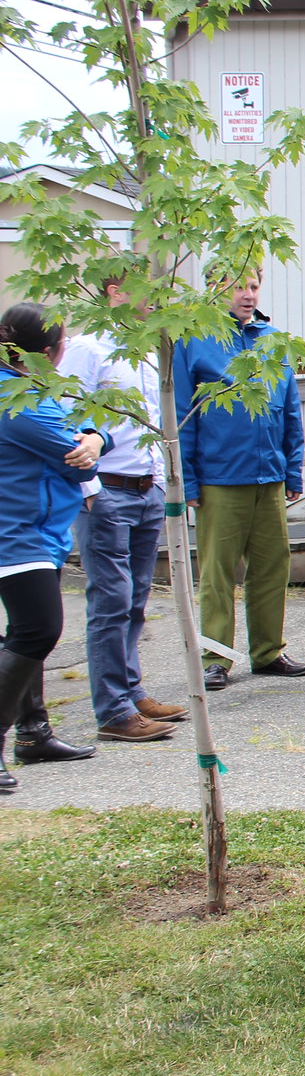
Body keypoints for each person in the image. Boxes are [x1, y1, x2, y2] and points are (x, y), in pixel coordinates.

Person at [54, 276, 186, 748]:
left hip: (144, 489)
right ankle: (112, 710)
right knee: (110, 602)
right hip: (107, 491)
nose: (153, 298)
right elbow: (65, 419)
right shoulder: (90, 349)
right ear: (114, 292)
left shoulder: (148, 352)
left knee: (134, 601)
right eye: (141, 289)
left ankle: (131, 692)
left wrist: (161, 480)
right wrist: (90, 489)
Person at [173, 262, 305, 690]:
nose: (247, 294)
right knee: (217, 572)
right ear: (214, 288)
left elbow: (290, 409)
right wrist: (188, 481)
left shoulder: (273, 342)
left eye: (253, 286)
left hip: (268, 476)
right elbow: (183, 415)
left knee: (272, 566)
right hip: (219, 478)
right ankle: (216, 657)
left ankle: (268, 651)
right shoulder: (195, 342)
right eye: (237, 286)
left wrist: (293, 469)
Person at [0, 303, 105, 794]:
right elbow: (77, 460)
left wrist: (96, 436)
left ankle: (34, 732)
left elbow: (82, 435)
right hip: (18, 533)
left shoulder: (24, 388)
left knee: (25, 632)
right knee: (37, 630)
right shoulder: (18, 397)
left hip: (34, 529)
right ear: (50, 352)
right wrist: (91, 446)